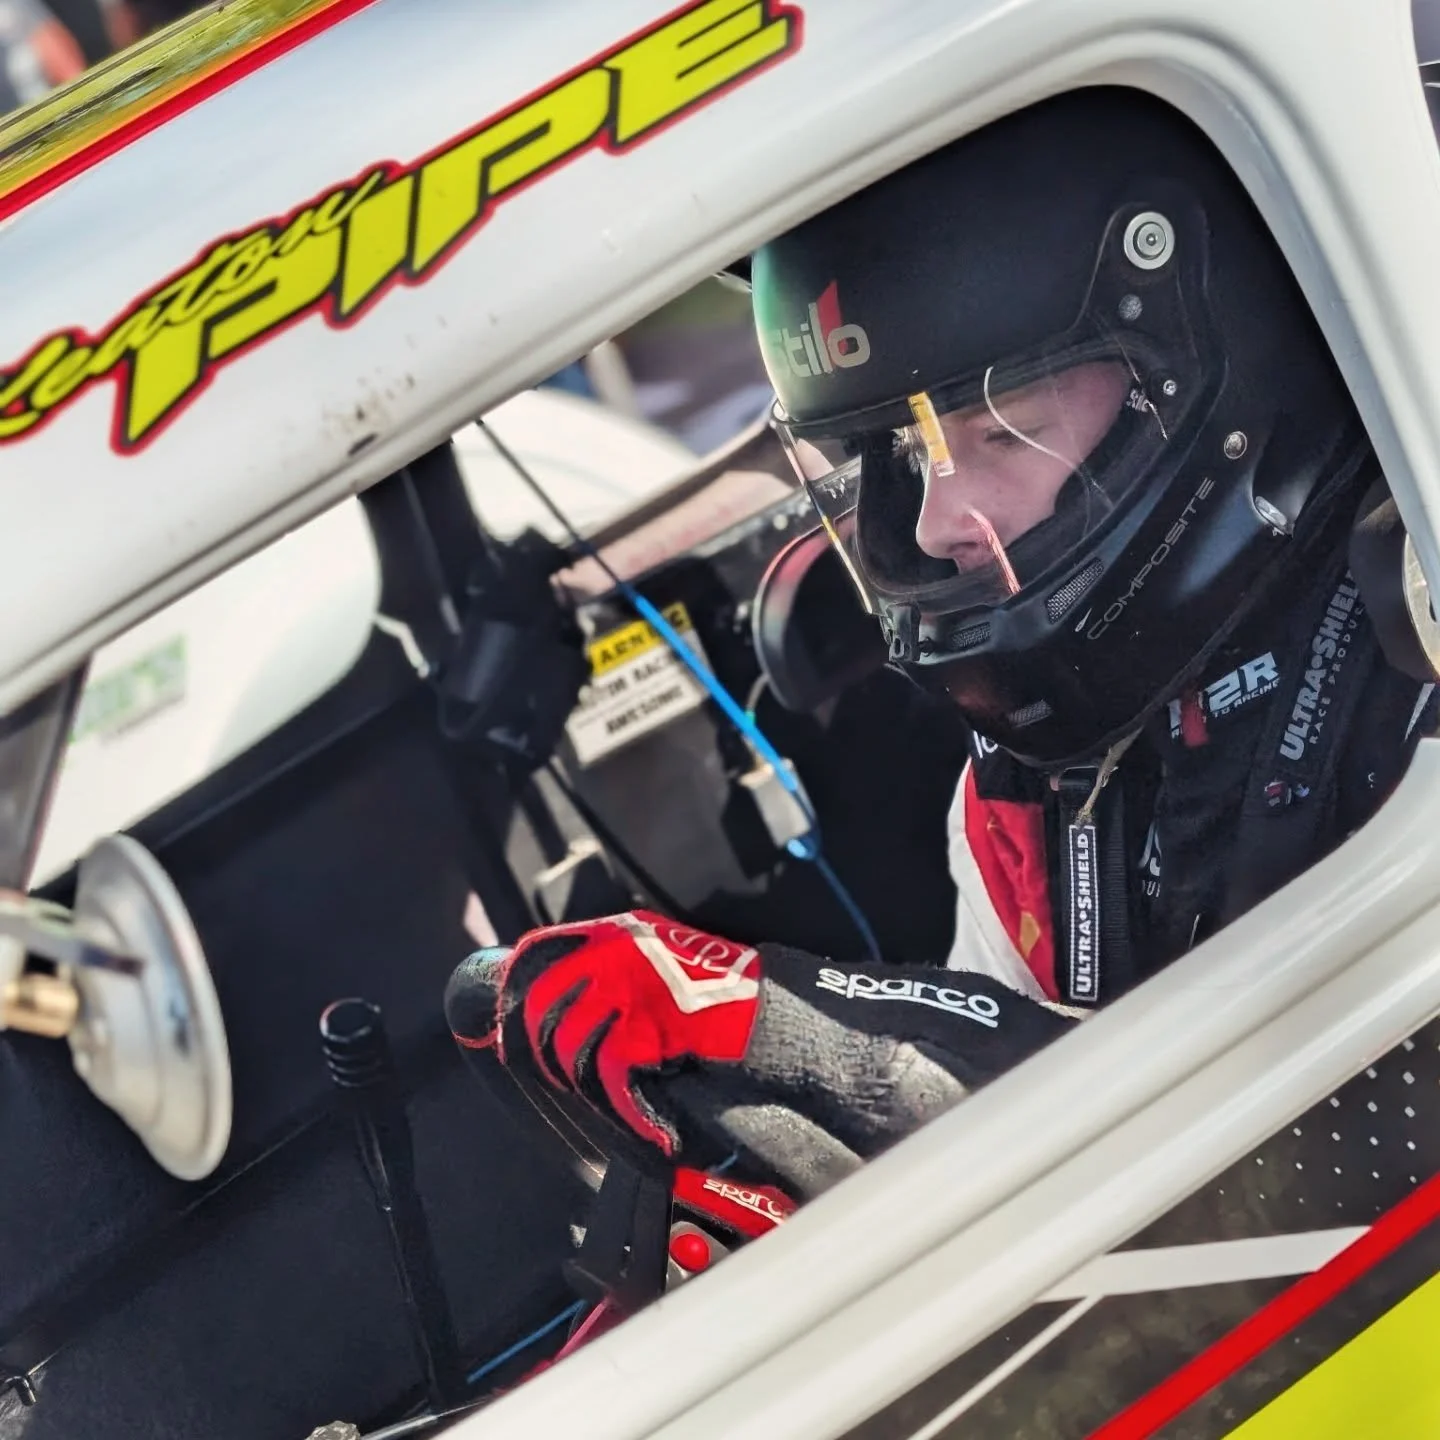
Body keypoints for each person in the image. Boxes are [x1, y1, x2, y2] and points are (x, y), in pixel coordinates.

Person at [445, 89, 1438, 1200]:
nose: (927, 520)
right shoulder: (1023, 797)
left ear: (1198, 357)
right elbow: (1080, 1187)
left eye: (997, 422)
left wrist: (812, 1038)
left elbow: (1353, 1125)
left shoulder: (1418, 629)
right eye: (906, 451)